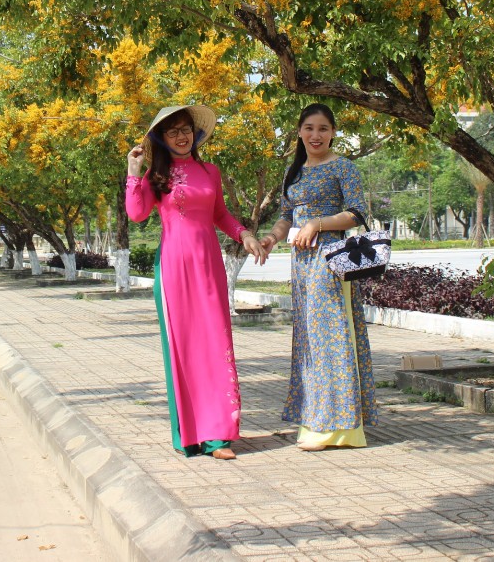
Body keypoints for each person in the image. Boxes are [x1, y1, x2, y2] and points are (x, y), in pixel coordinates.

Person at [126, 105, 265, 460]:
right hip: (174, 268)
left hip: (208, 267)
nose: (181, 136)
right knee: (184, 349)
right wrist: (133, 170)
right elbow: (137, 213)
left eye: (186, 129)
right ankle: (191, 435)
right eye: (173, 131)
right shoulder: (158, 177)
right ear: (162, 137)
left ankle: (218, 435)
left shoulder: (210, 171)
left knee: (216, 345)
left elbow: (219, 214)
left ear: (195, 133)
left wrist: (244, 234)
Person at [258, 103, 378, 451]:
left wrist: (318, 224)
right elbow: (285, 216)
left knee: (332, 336)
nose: (316, 135)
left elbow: (357, 213)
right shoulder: (293, 171)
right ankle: (315, 419)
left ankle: (337, 427)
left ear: (333, 132)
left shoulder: (343, 168)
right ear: (299, 131)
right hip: (301, 263)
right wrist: (271, 239)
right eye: (309, 128)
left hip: (330, 260)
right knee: (309, 339)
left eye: (323, 128)